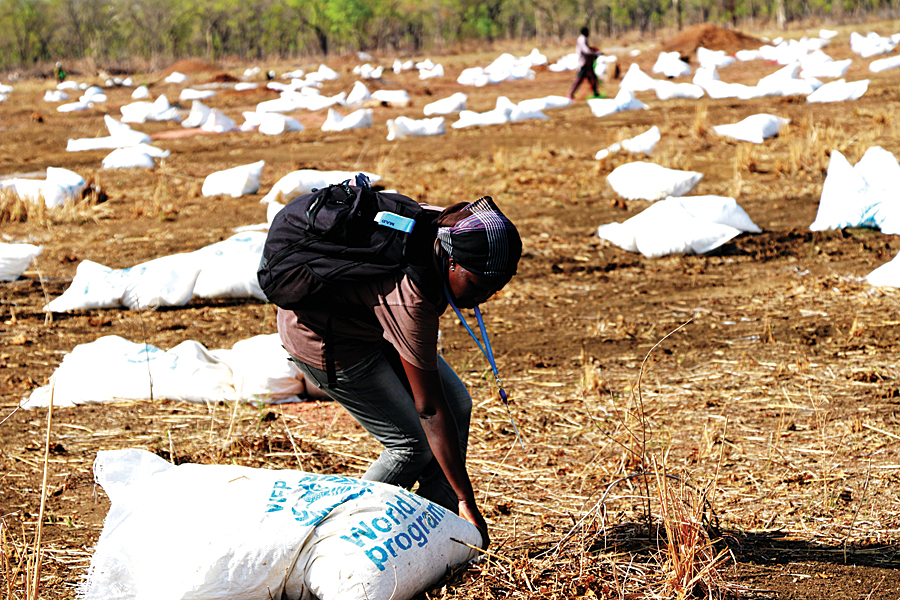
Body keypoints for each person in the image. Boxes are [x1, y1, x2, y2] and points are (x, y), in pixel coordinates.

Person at [277, 195, 522, 549]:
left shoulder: (447, 230)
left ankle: (441, 532)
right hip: (326, 339)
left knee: (458, 404)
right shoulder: (412, 296)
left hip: (372, 323)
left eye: (495, 288)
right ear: (452, 261)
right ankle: (344, 541)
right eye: (479, 284)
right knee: (411, 445)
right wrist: (467, 499)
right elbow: (429, 409)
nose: (485, 295)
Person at [568, 27, 603, 100]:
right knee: (579, 79)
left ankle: (596, 93)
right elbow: (586, 50)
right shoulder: (582, 39)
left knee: (592, 78)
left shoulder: (582, 38)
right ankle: (571, 94)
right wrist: (595, 53)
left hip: (588, 63)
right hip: (584, 63)